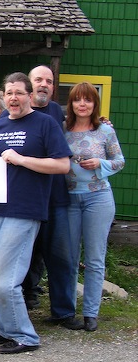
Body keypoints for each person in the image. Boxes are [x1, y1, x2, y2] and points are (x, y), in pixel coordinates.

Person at [0, 72, 71, 354]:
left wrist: (22, 159)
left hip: (23, 210)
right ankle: (3, 328)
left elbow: (62, 165)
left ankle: (25, 336)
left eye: (18, 92)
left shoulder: (45, 124)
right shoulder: (0, 122)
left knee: (4, 277)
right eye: (9, 93)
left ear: (29, 95)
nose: (13, 98)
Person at [65, 82, 125, 332]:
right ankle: (67, 311)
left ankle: (90, 312)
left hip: (97, 198)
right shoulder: (62, 130)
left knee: (94, 257)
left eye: (88, 100)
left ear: (94, 104)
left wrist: (99, 163)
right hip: (68, 199)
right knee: (68, 257)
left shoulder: (105, 132)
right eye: (77, 99)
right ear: (71, 103)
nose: (82, 104)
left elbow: (120, 161)